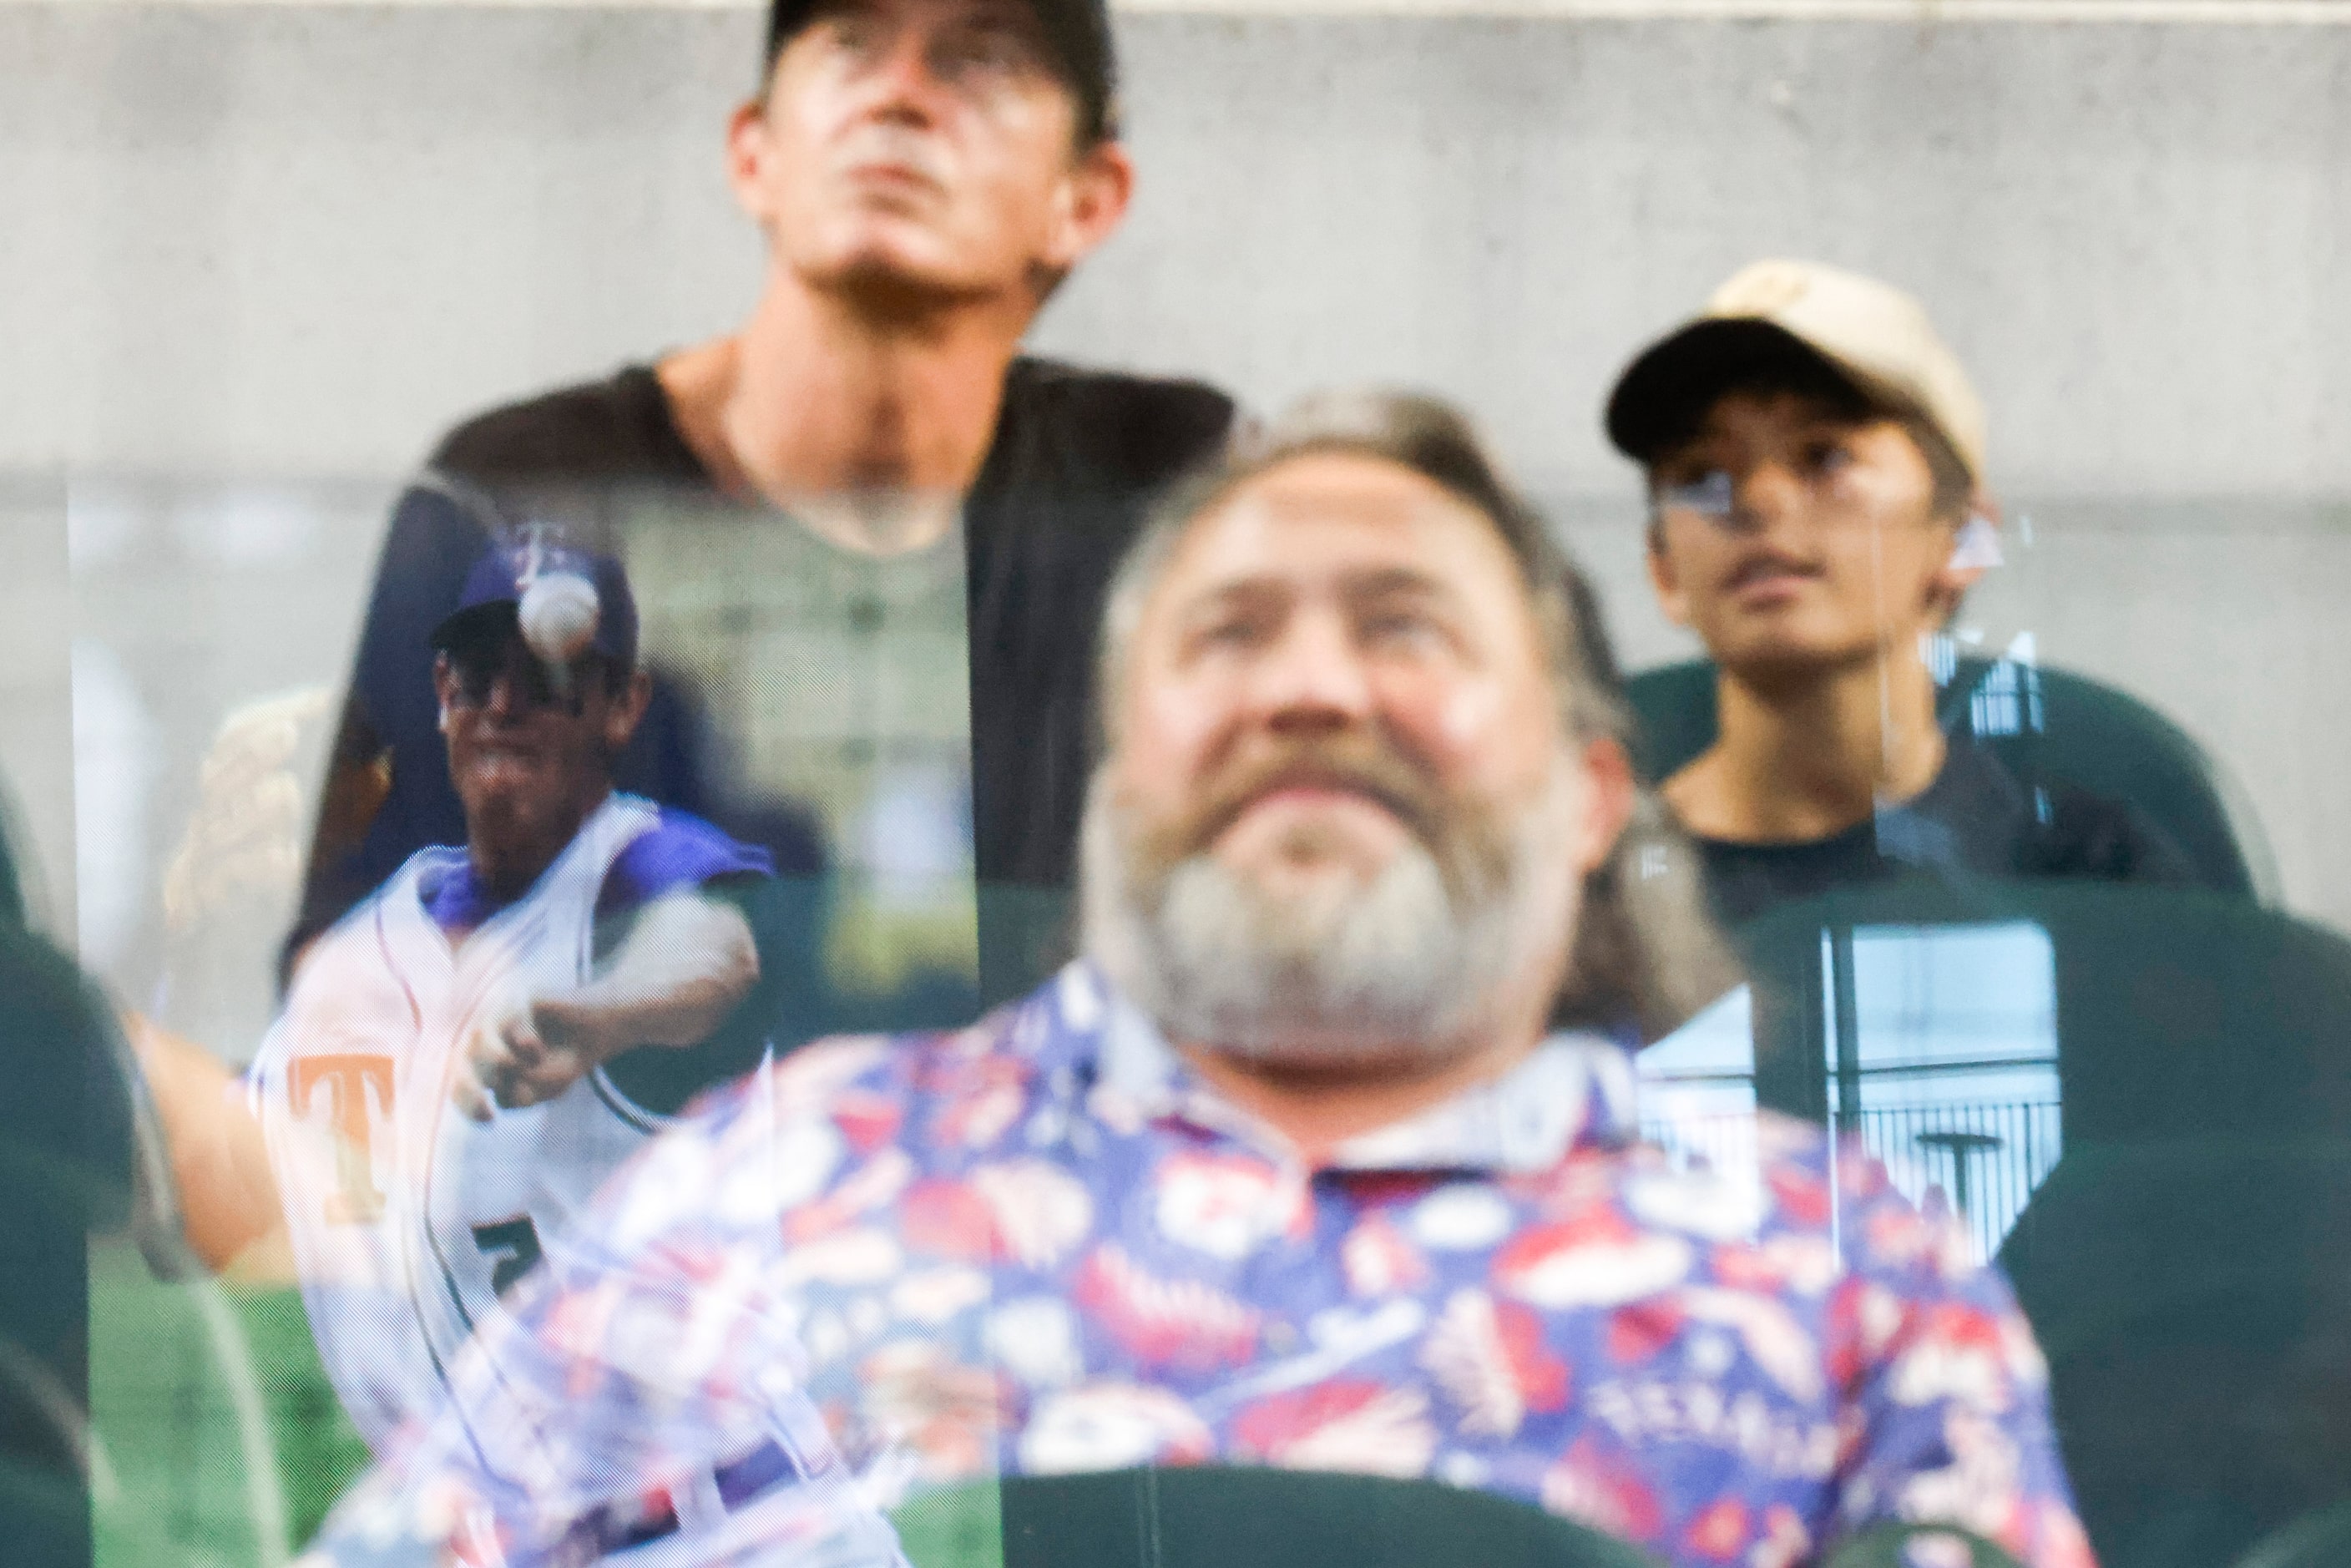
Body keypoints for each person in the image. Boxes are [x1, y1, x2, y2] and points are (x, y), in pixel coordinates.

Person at [301, 394, 2091, 1568]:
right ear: (1113, 788)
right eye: (1227, 636)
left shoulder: (1847, 1274)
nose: (1307, 689)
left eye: (1403, 628)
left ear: (1587, 798)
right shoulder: (770, 1190)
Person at [294, 0, 1235, 1010]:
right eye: (847, 46)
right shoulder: (520, 499)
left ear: (1086, 198)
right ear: (754, 153)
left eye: (983, 61)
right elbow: (355, 976)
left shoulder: (1159, 488)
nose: (900, 95)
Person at [252, 535, 784, 1454]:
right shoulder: (359, 959)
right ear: (440, 696)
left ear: (623, 706)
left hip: (720, 1524)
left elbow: (713, 951)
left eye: (546, 679)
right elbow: (192, 1193)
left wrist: (599, 1015)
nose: (503, 706)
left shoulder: (637, 874)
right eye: (477, 674)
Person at [1605, 260, 2185, 927]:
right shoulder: (1590, 899)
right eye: (1701, 472)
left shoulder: (2090, 877)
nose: (1757, 499)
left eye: (1824, 455)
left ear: (1964, 539)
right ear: (1666, 572)